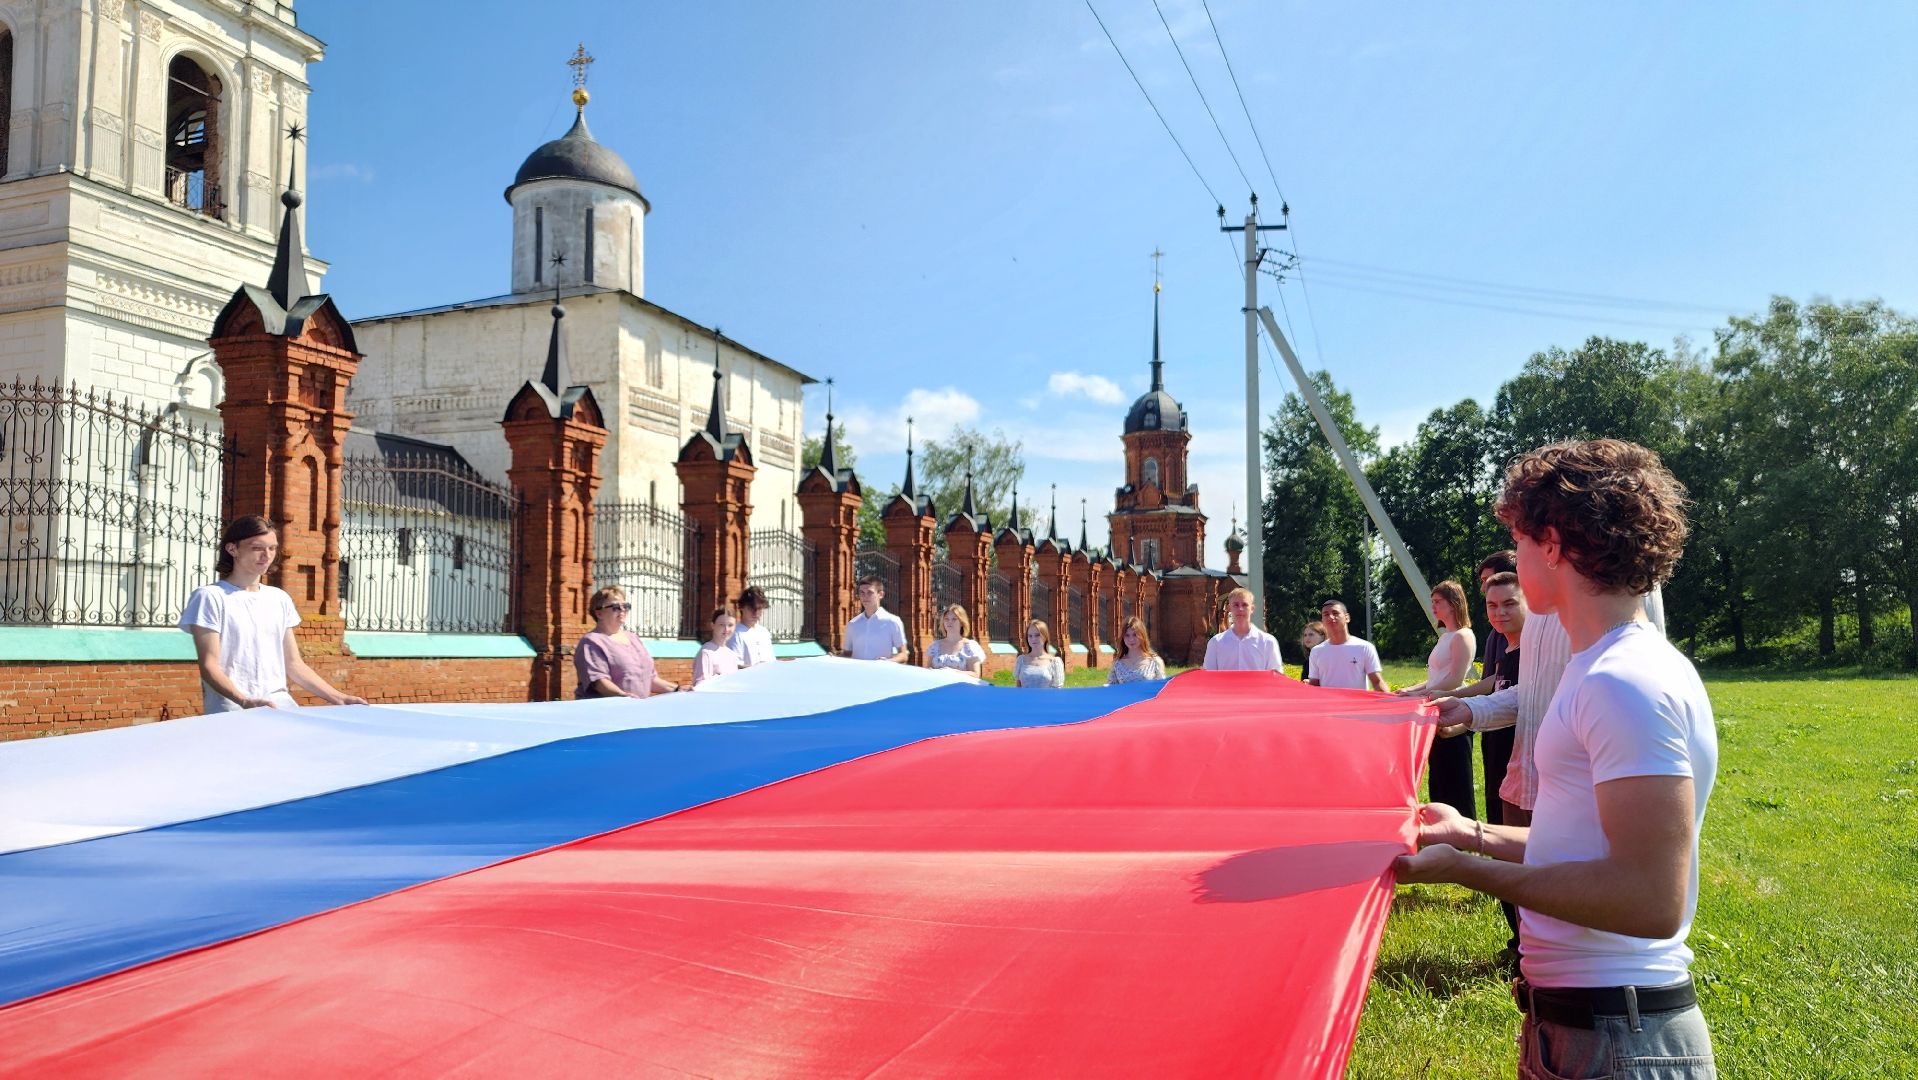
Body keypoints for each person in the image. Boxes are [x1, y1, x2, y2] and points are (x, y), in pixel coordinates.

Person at [1396, 439, 1718, 1077]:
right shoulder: (1602, 666)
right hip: (1592, 1028)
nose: (1509, 562)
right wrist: (1474, 833)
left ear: (1552, 542)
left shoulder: (1623, 681)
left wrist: (1465, 869)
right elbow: (1586, 847)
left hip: (1618, 1039)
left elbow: (1649, 897)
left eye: (1517, 541)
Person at [179, 515, 366, 714]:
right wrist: (244, 701)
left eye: (272, 548)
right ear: (232, 549)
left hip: (279, 708)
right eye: (257, 548)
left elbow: (293, 664)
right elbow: (210, 666)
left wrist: (339, 698)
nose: (267, 555)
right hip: (232, 712)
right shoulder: (210, 597)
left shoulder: (279, 598)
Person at [1397, 580, 1478, 816]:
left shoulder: (1463, 636)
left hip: (1452, 711)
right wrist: (1411, 691)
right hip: (1436, 708)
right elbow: (1435, 678)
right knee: (1440, 774)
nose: (1433, 607)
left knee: (1456, 776)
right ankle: (1441, 821)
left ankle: (1462, 828)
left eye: (1437, 602)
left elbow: (1454, 679)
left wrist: (1422, 695)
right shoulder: (1446, 636)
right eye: (1432, 602)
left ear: (1453, 604)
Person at [576, 585, 680, 698]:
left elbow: (649, 679)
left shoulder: (633, 638)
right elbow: (599, 682)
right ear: (599, 613)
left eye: (625, 606)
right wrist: (623, 696)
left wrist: (677, 689)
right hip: (607, 712)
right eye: (615, 606)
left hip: (636, 710)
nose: (622, 610)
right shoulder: (591, 642)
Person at [1306, 598, 1388, 691]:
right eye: (1326, 614)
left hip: (1356, 704)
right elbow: (1314, 685)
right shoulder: (1317, 651)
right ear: (1322, 620)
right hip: (1329, 705)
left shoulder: (1364, 647)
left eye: (1335, 613)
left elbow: (1377, 682)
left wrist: (1391, 702)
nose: (1331, 617)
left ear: (1347, 617)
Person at [1202, 588, 1286, 672]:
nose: (1240, 609)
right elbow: (1208, 678)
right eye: (1236, 605)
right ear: (1229, 608)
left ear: (1252, 608)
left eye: (1245, 605)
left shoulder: (1268, 642)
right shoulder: (1216, 642)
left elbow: (1276, 678)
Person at [843, 577, 908, 663]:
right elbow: (847, 654)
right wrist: (831, 658)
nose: (865, 596)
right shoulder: (852, 624)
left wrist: (888, 661)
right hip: (857, 675)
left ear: (880, 594)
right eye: (862, 593)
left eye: (870, 592)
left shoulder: (893, 621)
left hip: (881, 674)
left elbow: (903, 655)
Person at [926, 603, 985, 677]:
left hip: (961, 687)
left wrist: (953, 672)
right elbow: (927, 671)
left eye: (954, 619)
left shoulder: (969, 646)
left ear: (961, 623)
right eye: (946, 619)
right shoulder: (935, 646)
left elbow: (976, 674)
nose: (949, 622)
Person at [1106, 615, 1166, 684]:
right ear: (1123, 638)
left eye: (1135, 635)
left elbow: (1162, 689)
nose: (1131, 639)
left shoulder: (1155, 662)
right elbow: (1110, 691)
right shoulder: (1117, 664)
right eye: (1127, 635)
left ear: (1142, 636)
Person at [693, 607, 743, 687]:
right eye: (721, 625)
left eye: (730, 625)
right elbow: (700, 685)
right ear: (713, 625)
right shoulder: (706, 653)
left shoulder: (731, 654)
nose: (726, 629)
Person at [728, 585, 775, 668]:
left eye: (759, 608)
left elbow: (771, 661)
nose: (755, 613)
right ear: (741, 607)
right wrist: (757, 669)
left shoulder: (764, 633)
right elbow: (734, 665)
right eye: (751, 608)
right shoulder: (735, 634)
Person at [1014, 618, 1065, 688]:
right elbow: (1018, 688)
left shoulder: (1055, 662)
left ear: (1045, 637)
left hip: (1046, 699)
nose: (1033, 639)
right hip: (1024, 699)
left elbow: (1057, 691)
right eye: (1030, 636)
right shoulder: (1021, 660)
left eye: (1037, 635)